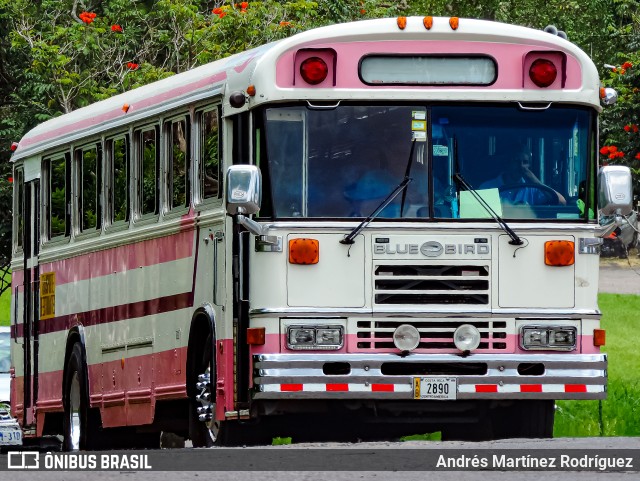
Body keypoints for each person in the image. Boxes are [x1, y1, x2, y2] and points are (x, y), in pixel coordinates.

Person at [480, 151, 566, 205]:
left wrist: (535, 181)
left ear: (529, 166)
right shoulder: (488, 187)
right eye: (516, 161)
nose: (521, 166)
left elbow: (562, 202)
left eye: (525, 162)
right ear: (508, 163)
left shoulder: (533, 189)